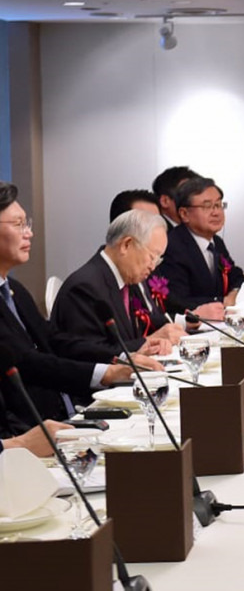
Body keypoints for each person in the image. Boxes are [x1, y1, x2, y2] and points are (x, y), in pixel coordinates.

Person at [0, 182, 157, 426]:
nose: (28, 233)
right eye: (18, 224)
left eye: (27, 223)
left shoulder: (14, 290)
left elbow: (58, 341)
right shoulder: (86, 285)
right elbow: (26, 361)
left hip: (64, 415)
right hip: (27, 432)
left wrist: (119, 361)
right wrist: (106, 373)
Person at [51, 210, 184, 357]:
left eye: (158, 260)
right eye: (152, 257)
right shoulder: (84, 287)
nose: (153, 267)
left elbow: (131, 336)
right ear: (126, 245)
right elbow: (89, 352)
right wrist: (147, 342)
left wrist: (157, 341)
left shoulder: (128, 278)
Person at [157, 177, 244, 315]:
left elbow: (237, 276)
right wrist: (223, 302)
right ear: (184, 214)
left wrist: (234, 293)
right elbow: (178, 301)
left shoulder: (216, 242)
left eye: (218, 205)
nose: (216, 212)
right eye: (207, 206)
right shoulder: (172, 247)